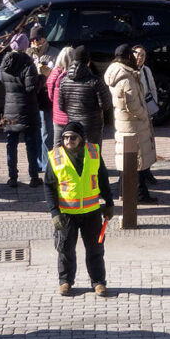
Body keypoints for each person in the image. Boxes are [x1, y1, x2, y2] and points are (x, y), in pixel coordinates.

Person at [45, 119, 114, 297]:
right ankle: (65, 281)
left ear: (81, 139)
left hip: (91, 212)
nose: (69, 141)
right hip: (67, 213)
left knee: (95, 249)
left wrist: (109, 202)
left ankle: (98, 282)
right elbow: (48, 186)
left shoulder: (93, 153)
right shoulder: (56, 157)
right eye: (66, 137)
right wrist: (55, 213)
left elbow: (103, 178)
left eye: (73, 137)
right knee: (65, 250)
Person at [104, 45, 158, 203]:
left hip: (124, 123)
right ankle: (140, 194)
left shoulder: (116, 71)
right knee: (137, 161)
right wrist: (144, 115)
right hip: (133, 124)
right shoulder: (125, 77)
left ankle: (124, 191)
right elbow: (131, 103)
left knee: (126, 159)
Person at [1, 32, 43, 189]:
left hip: (10, 108)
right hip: (27, 108)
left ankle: (12, 177)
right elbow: (32, 88)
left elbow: (5, 83)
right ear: (25, 47)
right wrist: (42, 77)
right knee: (31, 143)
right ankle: (34, 176)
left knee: (11, 143)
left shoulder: (5, 63)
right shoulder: (28, 63)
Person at [57, 46, 111, 146]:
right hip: (92, 127)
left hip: (73, 126)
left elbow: (61, 106)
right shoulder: (95, 81)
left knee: (76, 155)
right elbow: (105, 105)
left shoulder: (64, 81)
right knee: (93, 157)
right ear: (88, 62)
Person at [29, 23, 55, 170]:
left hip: (46, 98)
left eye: (38, 38)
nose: (35, 42)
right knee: (35, 133)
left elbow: (58, 75)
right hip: (32, 97)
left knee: (46, 133)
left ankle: (47, 164)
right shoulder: (27, 54)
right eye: (32, 39)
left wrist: (46, 74)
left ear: (44, 38)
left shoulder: (53, 53)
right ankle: (37, 162)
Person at [46, 46, 75, 144]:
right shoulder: (76, 73)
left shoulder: (54, 74)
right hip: (73, 116)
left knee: (57, 144)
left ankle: (58, 160)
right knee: (72, 145)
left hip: (58, 116)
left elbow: (50, 96)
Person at [132, 45, 160, 122]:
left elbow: (152, 88)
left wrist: (154, 105)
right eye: (137, 54)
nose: (140, 57)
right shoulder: (128, 71)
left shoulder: (146, 70)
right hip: (133, 109)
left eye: (143, 55)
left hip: (146, 107)